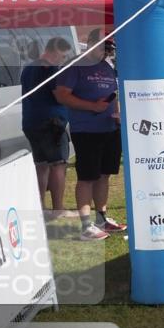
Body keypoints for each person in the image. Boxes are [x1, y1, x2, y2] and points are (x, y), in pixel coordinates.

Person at [54, 30, 126, 240]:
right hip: (86, 130)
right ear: (92, 43)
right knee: (87, 177)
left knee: (104, 174)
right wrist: (91, 106)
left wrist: (118, 113)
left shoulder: (106, 67)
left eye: (109, 48)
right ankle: (86, 226)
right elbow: (61, 95)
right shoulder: (75, 66)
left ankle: (101, 218)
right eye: (104, 46)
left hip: (110, 128)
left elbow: (112, 96)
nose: (107, 51)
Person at [21, 37, 78, 220]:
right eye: (62, 56)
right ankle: (58, 209)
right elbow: (59, 96)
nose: (63, 60)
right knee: (58, 165)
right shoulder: (51, 69)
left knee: (42, 166)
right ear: (52, 51)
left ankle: (41, 207)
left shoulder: (29, 67)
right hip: (51, 123)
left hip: (31, 121)